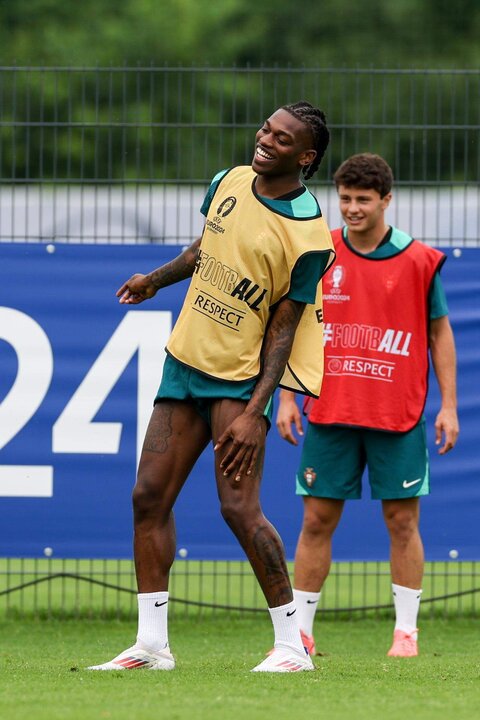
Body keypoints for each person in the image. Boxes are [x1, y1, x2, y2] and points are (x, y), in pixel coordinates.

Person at [88, 101, 335, 673]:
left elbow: (285, 326)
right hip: (184, 362)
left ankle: (292, 646)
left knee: (238, 510)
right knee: (147, 496)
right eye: (266, 128)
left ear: (306, 156)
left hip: (238, 381)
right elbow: (206, 249)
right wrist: (155, 279)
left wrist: (255, 410)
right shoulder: (229, 180)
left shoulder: (308, 233)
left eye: (282, 137)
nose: (265, 139)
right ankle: (152, 646)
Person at [277, 153, 459, 658]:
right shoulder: (320, 251)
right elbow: (293, 326)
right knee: (315, 520)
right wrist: (287, 396)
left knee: (403, 522)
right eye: (345, 199)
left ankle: (406, 633)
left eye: (363, 199)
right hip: (329, 411)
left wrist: (449, 406)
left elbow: (440, 333)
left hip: (396, 414)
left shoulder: (420, 260)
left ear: (385, 201)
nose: (352, 208)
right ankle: (302, 633)